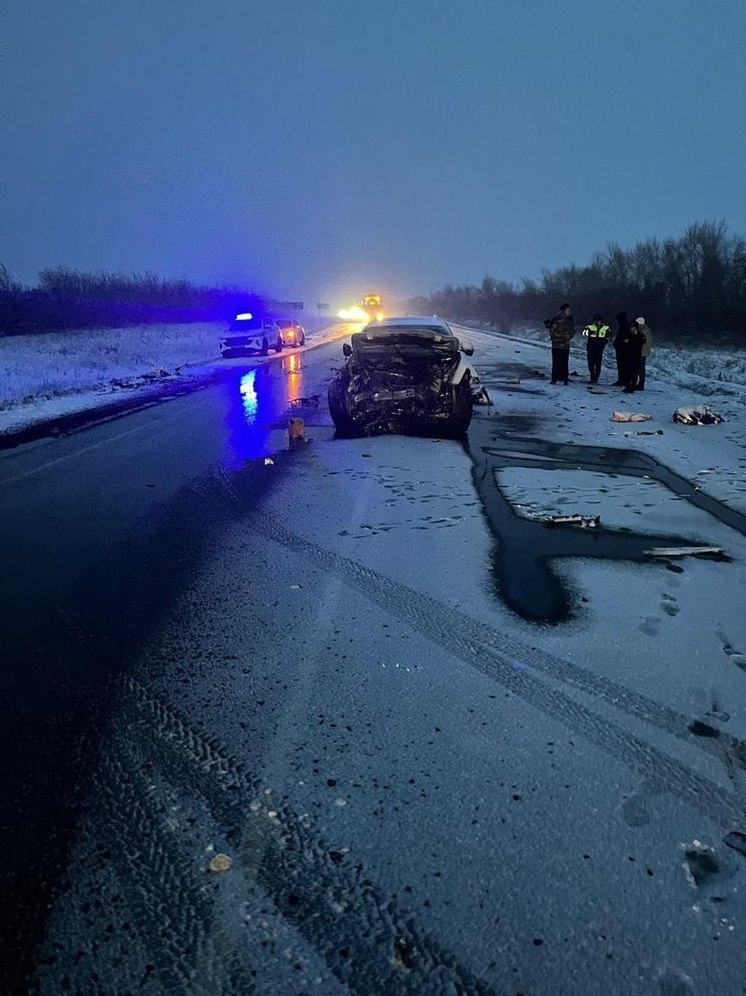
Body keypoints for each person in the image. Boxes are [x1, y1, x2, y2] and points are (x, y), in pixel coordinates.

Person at [543, 303, 575, 384]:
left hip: (563, 345)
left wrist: (564, 337)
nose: (569, 312)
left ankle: (562, 378)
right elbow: (552, 332)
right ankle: (557, 379)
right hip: (558, 345)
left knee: (563, 363)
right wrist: (564, 337)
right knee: (557, 363)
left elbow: (572, 331)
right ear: (563, 311)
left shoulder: (569, 320)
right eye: (568, 310)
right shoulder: (557, 320)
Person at [617, 318, 645, 393]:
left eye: (633, 327)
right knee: (627, 372)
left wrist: (629, 342)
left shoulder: (640, 335)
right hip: (627, 356)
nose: (632, 329)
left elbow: (640, 343)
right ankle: (627, 385)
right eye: (631, 327)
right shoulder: (627, 334)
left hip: (635, 357)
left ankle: (632, 387)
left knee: (634, 373)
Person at [581, 313, 610, 383]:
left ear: (601, 321)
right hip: (591, 347)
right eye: (595, 320)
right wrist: (591, 333)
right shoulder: (590, 327)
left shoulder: (606, 328)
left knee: (598, 364)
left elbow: (609, 337)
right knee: (591, 363)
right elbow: (583, 333)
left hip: (600, 348)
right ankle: (592, 376)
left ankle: (596, 378)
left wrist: (604, 342)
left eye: (598, 320)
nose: (597, 322)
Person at [635, 317, 653, 390]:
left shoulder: (643, 330)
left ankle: (641, 384)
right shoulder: (645, 329)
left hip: (642, 352)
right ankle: (640, 383)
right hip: (642, 351)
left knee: (640, 368)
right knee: (640, 368)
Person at [611, 312, 628, 385]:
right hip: (622, 348)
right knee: (623, 365)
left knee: (621, 365)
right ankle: (623, 379)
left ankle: (622, 380)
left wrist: (617, 344)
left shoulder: (623, 326)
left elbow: (622, 338)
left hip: (622, 349)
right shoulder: (625, 325)